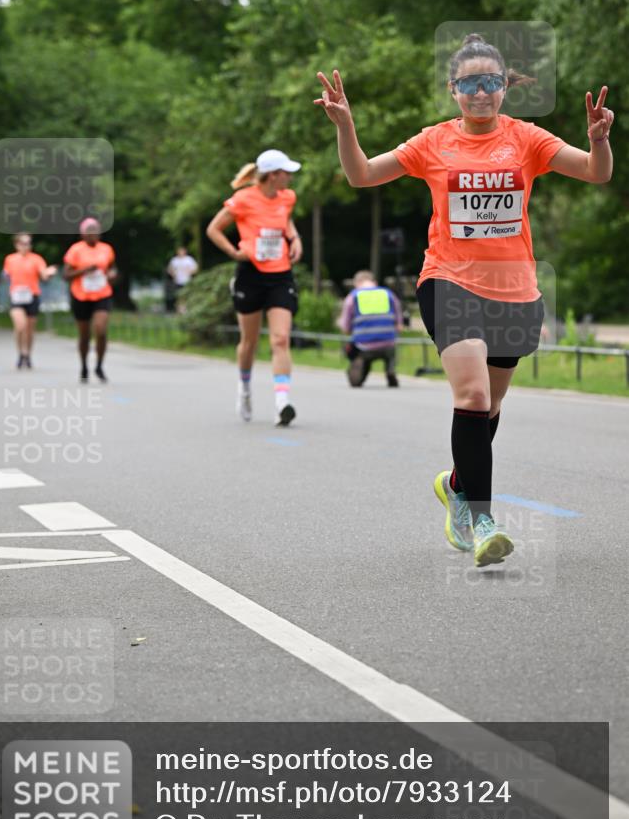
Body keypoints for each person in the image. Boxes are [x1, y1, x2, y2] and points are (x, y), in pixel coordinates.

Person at [315, 34, 613, 567]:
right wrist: (346, 126)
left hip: (515, 289)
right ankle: (481, 521)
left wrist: (599, 141)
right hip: (448, 280)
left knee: (490, 409)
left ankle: (456, 482)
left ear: (504, 87)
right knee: (473, 398)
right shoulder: (432, 142)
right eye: (470, 83)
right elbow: (361, 175)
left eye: (491, 82)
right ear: (454, 89)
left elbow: (596, 172)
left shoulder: (528, 139)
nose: (481, 93)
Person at [206, 149, 303, 426]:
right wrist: (235, 253)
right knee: (249, 342)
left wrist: (294, 238)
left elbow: (285, 219)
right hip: (250, 274)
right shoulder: (243, 199)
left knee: (280, 339)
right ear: (273, 176)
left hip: (280, 274)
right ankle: (245, 389)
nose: (290, 177)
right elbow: (213, 229)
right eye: (287, 172)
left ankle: (282, 402)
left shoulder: (287, 197)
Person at [63, 217, 118, 382]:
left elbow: (112, 267)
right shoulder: (75, 250)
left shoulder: (106, 249)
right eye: (89, 232)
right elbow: (66, 275)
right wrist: (84, 270)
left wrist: (112, 274)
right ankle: (84, 366)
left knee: (100, 330)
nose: (93, 235)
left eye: (96, 231)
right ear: (83, 235)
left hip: (102, 294)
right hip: (81, 295)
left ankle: (99, 365)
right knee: (84, 335)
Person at [338, 270, 403, 387]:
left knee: (351, 349)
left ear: (357, 283)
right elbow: (399, 326)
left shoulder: (353, 297)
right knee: (391, 351)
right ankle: (390, 369)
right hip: (388, 343)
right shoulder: (388, 294)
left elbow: (345, 328)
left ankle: (358, 366)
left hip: (363, 345)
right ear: (374, 282)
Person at [3, 232, 57, 369]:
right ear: (16, 245)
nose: (26, 246)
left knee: (29, 329)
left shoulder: (36, 259)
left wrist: (49, 273)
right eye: (23, 243)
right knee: (20, 326)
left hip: (32, 296)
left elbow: (43, 275)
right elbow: (6, 276)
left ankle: (27, 354)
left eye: (28, 243)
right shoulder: (10, 259)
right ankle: (20, 352)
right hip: (16, 296)